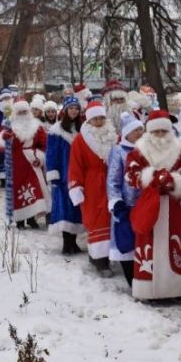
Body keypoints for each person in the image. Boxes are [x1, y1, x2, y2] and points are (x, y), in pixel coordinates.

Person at [125, 110, 181, 300]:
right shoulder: (137, 152)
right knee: (150, 244)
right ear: (149, 132)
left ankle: (178, 289)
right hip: (150, 205)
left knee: (175, 246)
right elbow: (130, 176)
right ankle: (149, 289)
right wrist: (152, 178)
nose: (160, 136)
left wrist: (173, 181)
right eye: (156, 132)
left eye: (163, 132)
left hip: (174, 207)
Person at [68, 100, 117, 277]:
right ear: (88, 120)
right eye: (95, 118)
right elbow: (75, 165)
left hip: (112, 182)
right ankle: (100, 260)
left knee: (112, 218)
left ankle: (109, 254)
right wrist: (76, 186)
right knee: (96, 219)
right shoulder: (81, 140)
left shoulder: (113, 135)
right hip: (92, 184)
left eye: (101, 118)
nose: (99, 121)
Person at [0, 100, 50, 230]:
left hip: (32, 163)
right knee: (18, 191)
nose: (22, 114)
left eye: (24, 112)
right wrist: (5, 139)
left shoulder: (37, 126)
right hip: (16, 164)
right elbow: (0, 144)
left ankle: (31, 219)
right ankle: (20, 220)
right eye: (19, 112)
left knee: (34, 190)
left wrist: (39, 156)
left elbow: (44, 145)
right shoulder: (9, 126)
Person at [106, 112, 145, 287]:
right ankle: (131, 279)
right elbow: (113, 180)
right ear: (127, 133)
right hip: (125, 205)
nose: (139, 133)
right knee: (126, 242)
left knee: (142, 243)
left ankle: (143, 277)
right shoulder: (118, 151)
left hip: (144, 205)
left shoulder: (146, 149)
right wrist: (116, 201)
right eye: (135, 130)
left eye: (141, 130)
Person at [46, 96, 85, 254]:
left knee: (76, 208)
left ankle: (73, 242)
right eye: (71, 108)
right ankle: (66, 244)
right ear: (65, 110)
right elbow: (51, 154)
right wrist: (53, 175)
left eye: (76, 108)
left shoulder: (83, 129)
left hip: (78, 174)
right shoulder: (56, 130)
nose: (74, 110)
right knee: (65, 208)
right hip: (63, 175)